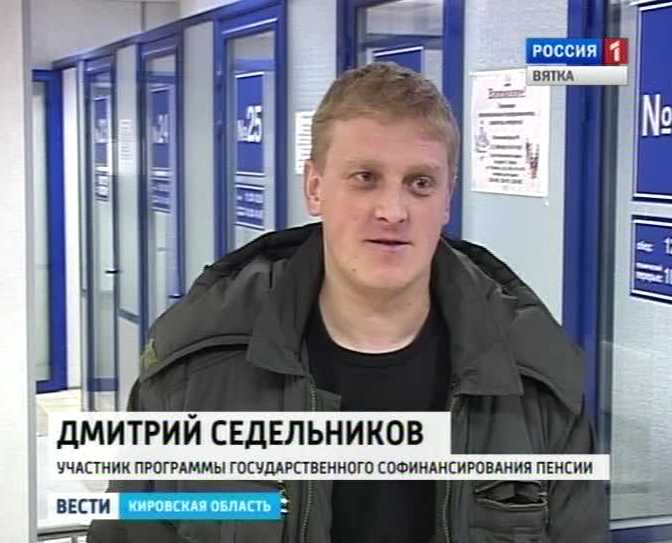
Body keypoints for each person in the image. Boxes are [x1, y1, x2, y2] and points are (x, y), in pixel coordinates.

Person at [88, 62, 607, 542]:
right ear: (314, 188)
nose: (393, 210)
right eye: (365, 178)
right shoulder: (195, 371)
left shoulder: (533, 379)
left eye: (420, 183)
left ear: (447, 198)